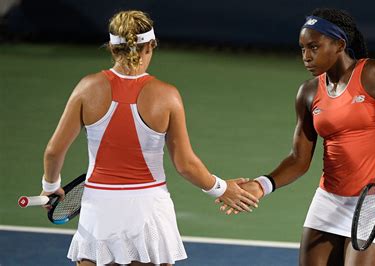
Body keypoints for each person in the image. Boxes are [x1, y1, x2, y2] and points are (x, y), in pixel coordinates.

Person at [39, 10, 258, 266]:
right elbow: (185, 164)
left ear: (111, 48)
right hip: (148, 210)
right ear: (151, 45)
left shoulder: (87, 88)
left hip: (99, 210)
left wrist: (51, 186)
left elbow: (54, 151)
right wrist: (222, 188)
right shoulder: (167, 95)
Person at [218, 8, 375, 266]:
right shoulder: (308, 92)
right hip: (328, 200)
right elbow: (299, 159)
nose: (306, 56)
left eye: (314, 47)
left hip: (373, 202)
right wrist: (261, 185)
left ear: (339, 44)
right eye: (302, 48)